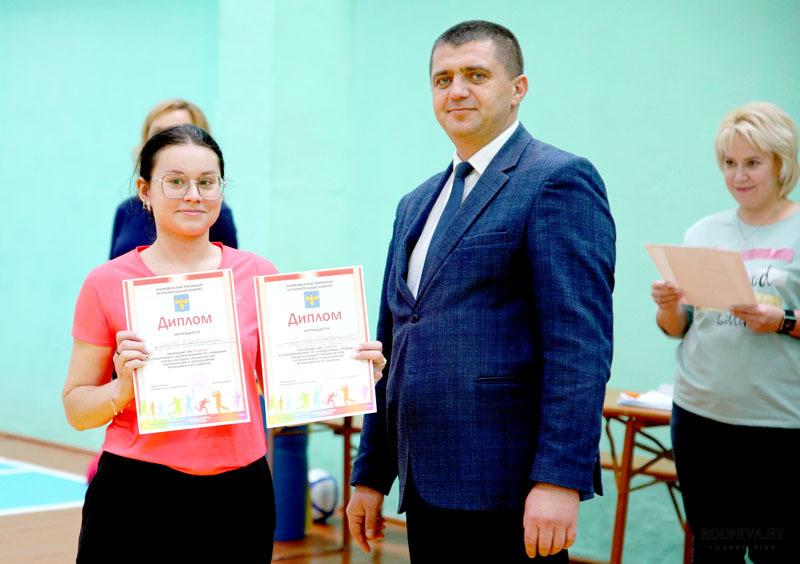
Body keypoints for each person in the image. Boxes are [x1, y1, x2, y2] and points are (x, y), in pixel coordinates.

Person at [347, 20, 615, 562]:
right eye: (442, 79)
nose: (457, 91)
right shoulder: (415, 203)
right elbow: (391, 343)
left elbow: (579, 346)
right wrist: (371, 472)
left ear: (517, 88)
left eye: (476, 75)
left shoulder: (557, 180)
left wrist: (559, 479)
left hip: (509, 485)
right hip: (425, 482)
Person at [63, 124, 386, 561]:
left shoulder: (257, 273)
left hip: (238, 494)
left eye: (206, 182)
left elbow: (282, 386)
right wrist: (121, 390)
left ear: (221, 189)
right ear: (145, 191)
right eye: (175, 181)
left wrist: (351, 373)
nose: (193, 195)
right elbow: (77, 407)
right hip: (135, 491)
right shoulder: (106, 283)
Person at [651, 101, 800, 562]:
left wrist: (782, 321)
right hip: (701, 420)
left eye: (752, 163)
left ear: (781, 163)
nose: (739, 175)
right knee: (716, 551)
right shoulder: (703, 232)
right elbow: (679, 328)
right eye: (730, 163)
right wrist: (669, 307)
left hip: (779, 426)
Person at [109, 99, 237, 259]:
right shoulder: (126, 210)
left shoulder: (212, 212)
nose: (169, 141)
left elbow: (230, 266)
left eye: (180, 131)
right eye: (158, 134)